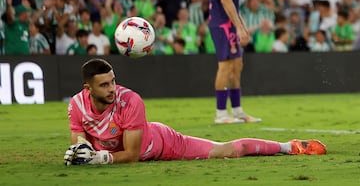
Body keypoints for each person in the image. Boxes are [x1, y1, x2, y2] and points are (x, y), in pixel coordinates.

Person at [63, 58, 327, 166]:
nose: (112, 88)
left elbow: (132, 155)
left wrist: (99, 159)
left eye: (113, 81)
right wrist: (80, 154)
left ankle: (289, 146)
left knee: (228, 151)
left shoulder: (130, 101)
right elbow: (80, 144)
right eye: (104, 85)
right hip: (123, 147)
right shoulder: (76, 106)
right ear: (88, 89)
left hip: (162, 143)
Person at [208, 0, 261, 124]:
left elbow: (233, 2)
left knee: (237, 65)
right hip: (222, 24)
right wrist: (238, 26)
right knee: (225, 67)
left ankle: (237, 110)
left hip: (230, 23)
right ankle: (221, 114)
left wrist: (242, 25)